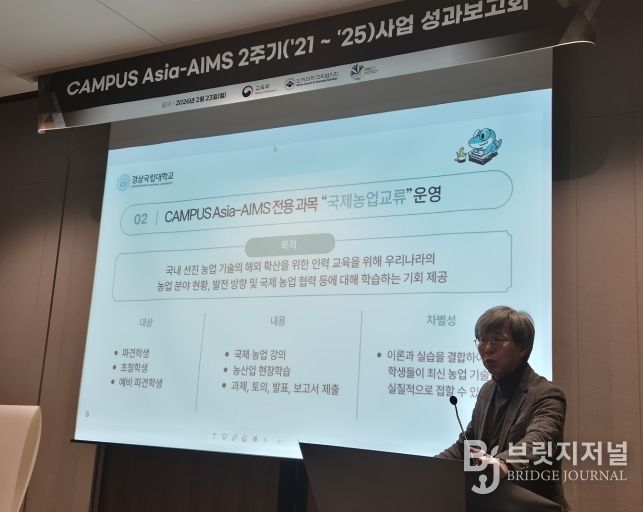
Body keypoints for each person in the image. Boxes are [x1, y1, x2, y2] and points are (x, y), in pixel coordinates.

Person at [438, 305, 570, 511]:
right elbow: (467, 445)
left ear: (522, 348)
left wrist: (504, 463)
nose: (487, 348)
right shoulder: (486, 391)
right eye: (482, 340)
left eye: (497, 340)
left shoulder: (547, 394)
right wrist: (427, 467)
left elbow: (540, 440)